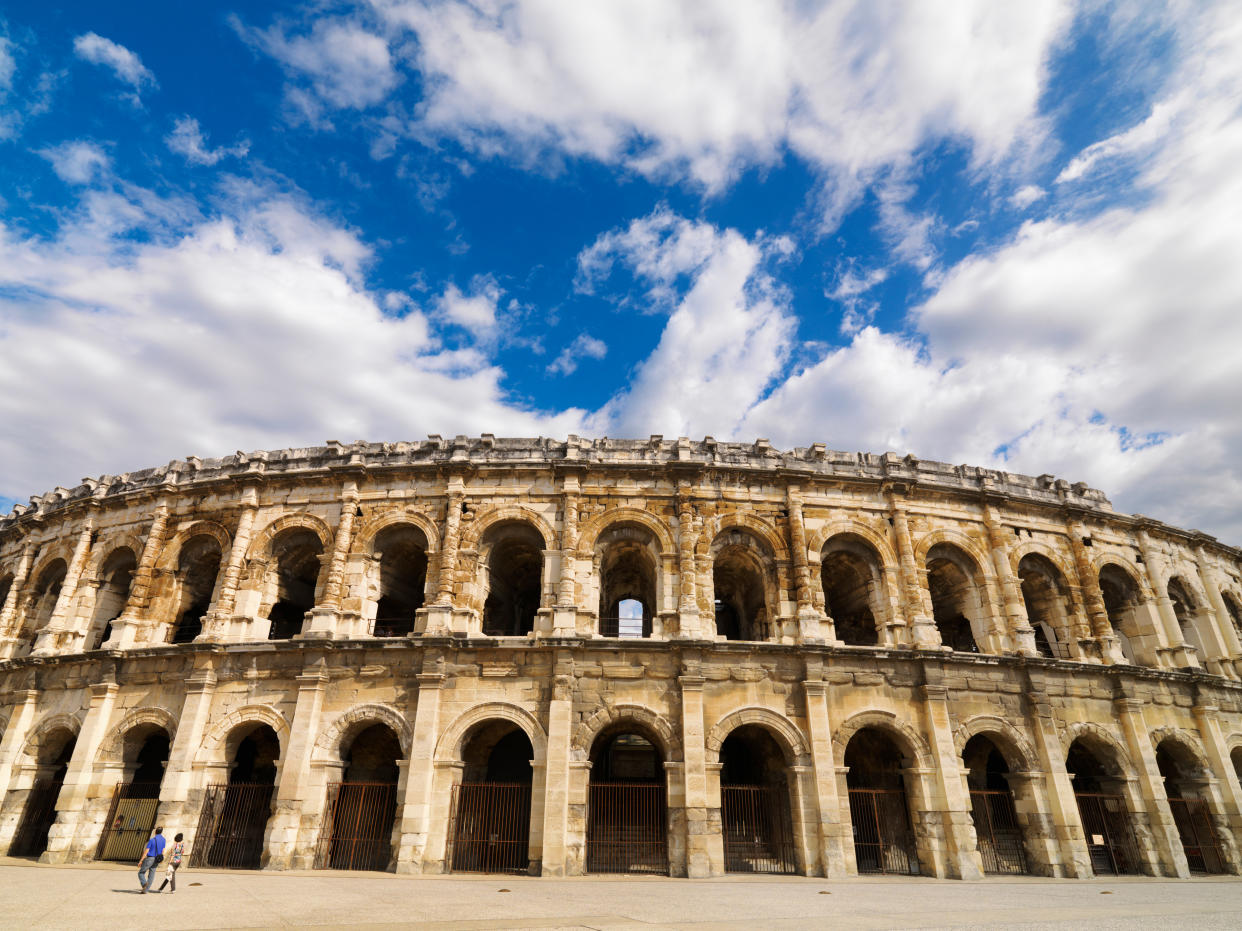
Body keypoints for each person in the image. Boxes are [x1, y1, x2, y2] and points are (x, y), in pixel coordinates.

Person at [137, 826, 165, 894]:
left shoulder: (152, 840)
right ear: (161, 832)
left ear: (155, 832)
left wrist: (141, 860)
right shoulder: (164, 840)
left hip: (150, 858)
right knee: (152, 874)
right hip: (157, 858)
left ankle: (144, 884)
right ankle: (145, 890)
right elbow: (163, 850)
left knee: (141, 872)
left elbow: (146, 851)